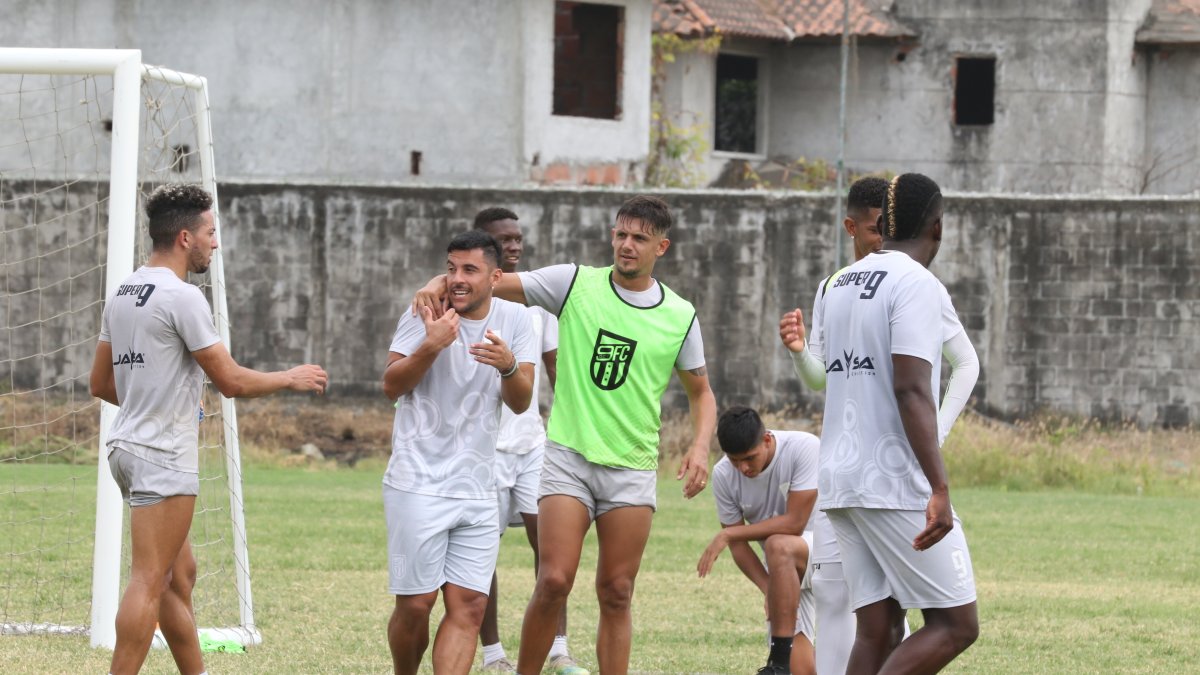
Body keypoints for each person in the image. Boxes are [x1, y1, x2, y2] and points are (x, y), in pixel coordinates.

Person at [414, 194, 716, 675]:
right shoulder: (573, 283)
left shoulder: (680, 315)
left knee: (617, 591)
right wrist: (438, 280)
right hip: (568, 458)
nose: (626, 245)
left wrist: (701, 447)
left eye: (639, 238)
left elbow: (702, 393)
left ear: (663, 246)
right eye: (620, 234)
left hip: (632, 465)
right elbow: (491, 280)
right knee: (554, 579)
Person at [88, 183, 328, 675]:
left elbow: (100, 383)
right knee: (149, 580)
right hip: (161, 454)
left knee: (180, 576)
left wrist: (160, 399)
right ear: (183, 238)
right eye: (210, 233)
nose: (214, 243)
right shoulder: (183, 297)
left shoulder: (125, 290)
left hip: (125, 449)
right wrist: (291, 377)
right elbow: (232, 381)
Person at [779, 178, 980, 674]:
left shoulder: (839, 282)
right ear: (937, 227)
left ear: (884, 226)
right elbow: (911, 387)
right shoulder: (918, 284)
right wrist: (939, 484)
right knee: (956, 624)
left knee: (879, 629)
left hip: (840, 480)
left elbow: (829, 375)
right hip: (893, 481)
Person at [382, 230, 538, 675]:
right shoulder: (424, 312)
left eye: (469, 269)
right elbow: (391, 385)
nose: (456, 279)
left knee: (468, 607)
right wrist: (430, 345)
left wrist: (508, 365)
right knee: (416, 604)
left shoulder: (516, 319)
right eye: (451, 268)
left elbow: (521, 401)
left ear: (496, 277)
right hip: (416, 483)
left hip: (477, 488)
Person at [471, 208, 584, 675]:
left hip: (535, 444)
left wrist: (569, 425)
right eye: (505, 239)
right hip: (483, 450)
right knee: (481, 554)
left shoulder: (538, 302)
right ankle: (494, 655)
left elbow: (555, 368)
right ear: (486, 245)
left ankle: (559, 648)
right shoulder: (467, 301)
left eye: (518, 239)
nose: (515, 246)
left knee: (552, 551)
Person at [697, 407, 819, 675]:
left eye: (749, 458)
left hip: (829, 557)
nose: (743, 468)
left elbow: (796, 523)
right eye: (734, 460)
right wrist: (768, 589)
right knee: (802, 671)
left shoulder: (804, 447)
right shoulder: (723, 475)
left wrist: (729, 533)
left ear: (766, 440)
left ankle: (777, 664)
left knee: (779, 544)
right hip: (783, 570)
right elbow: (740, 549)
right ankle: (784, 666)